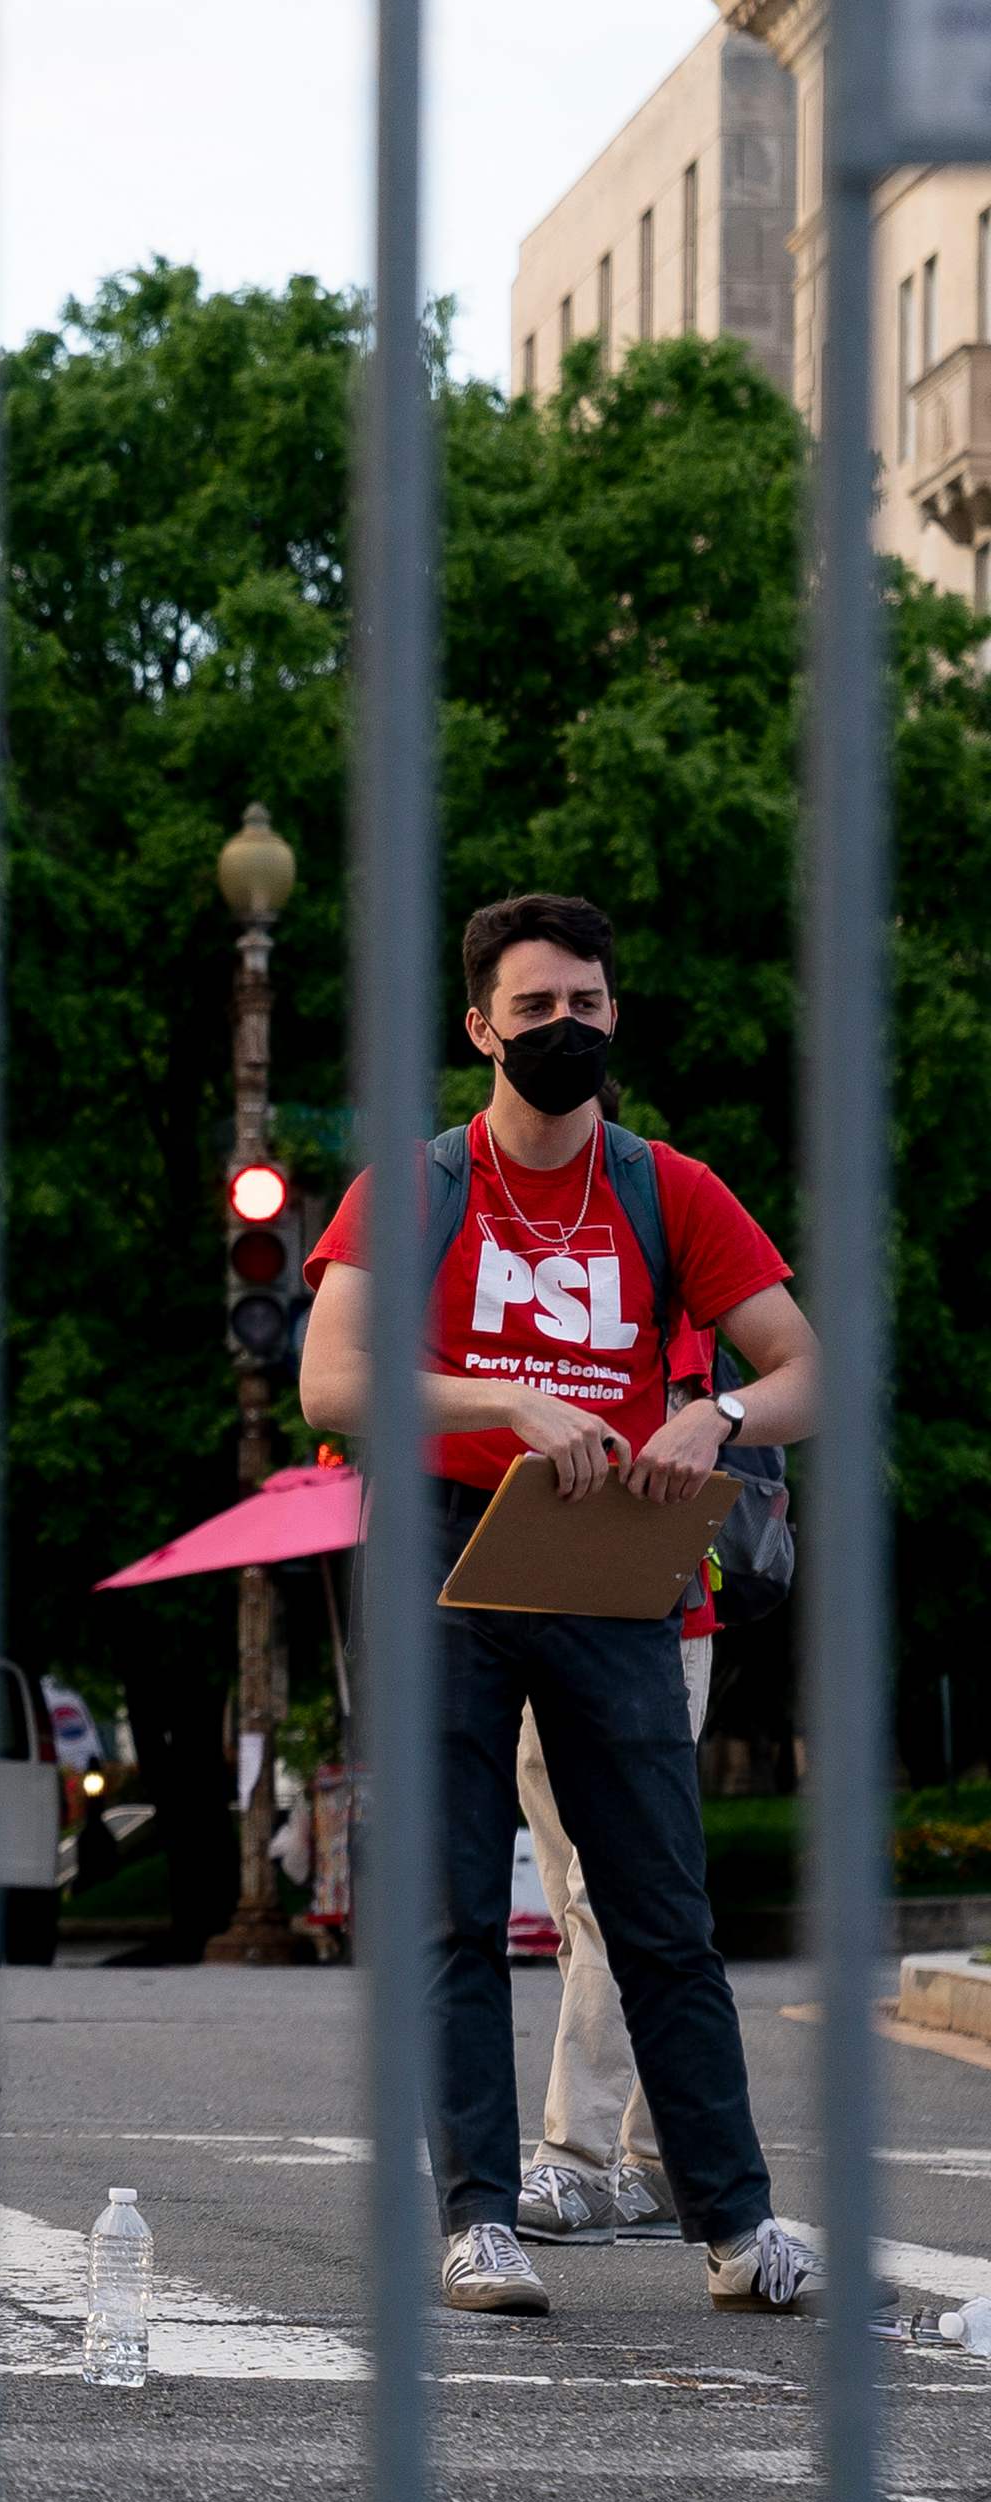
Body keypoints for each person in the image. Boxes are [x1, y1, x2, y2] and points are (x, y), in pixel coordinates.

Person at [300, 892, 820, 2317]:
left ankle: (738, 2223)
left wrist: (714, 1414)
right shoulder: (415, 1188)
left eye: (585, 1004)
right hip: (447, 1546)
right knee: (457, 1905)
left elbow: (807, 1366)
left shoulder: (670, 1188)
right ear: (479, 1027)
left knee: (660, 1904)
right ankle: (480, 2219)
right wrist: (507, 1399)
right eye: (534, 1009)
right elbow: (330, 1379)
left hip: (617, 1560)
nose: (564, 1028)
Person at [510, 1318, 721, 2247]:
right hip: (536, 1620)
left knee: (608, 1900)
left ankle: (577, 2159)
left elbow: (683, 1440)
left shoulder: (666, 1290)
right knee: (574, 1911)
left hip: (650, 1627)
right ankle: (653, 2155)